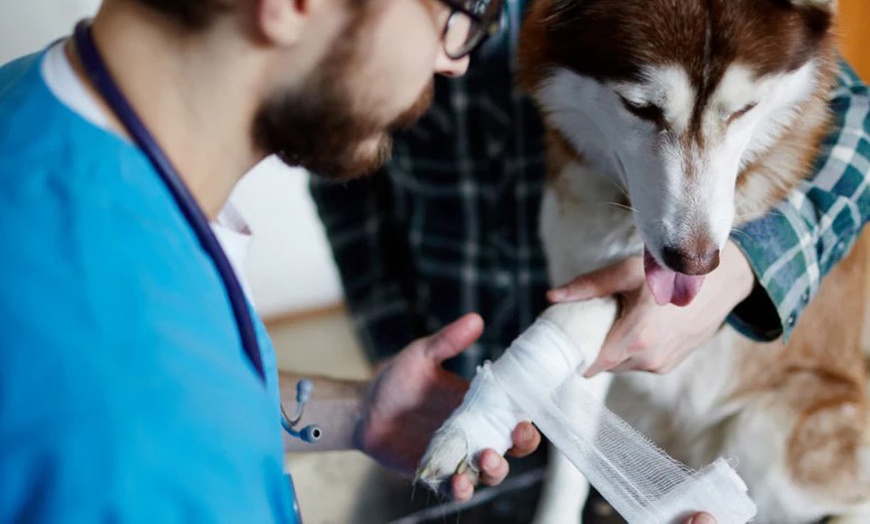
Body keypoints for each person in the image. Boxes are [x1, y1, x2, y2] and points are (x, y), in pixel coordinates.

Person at [309, 0, 870, 519]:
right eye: (641, 104)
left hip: (646, 427)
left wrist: (747, 267)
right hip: (440, 384)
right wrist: (387, 344)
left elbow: (856, 119)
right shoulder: (399, 24)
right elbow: (343, 172)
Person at [0, 0, 545, 521]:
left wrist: (358, 414)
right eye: (464, 12)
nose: (454, 61)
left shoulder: (37, 103)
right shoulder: (148, 428)